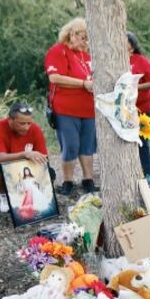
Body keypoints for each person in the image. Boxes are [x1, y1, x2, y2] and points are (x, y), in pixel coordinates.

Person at [45, 17, 96, 196]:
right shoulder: (58, 51)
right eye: (83, 37)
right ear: (72, 34)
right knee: (71, 145)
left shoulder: (86, 55)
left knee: (87, 145)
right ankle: (67, 181)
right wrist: (83, 84)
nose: (85, 42)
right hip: (66, 108)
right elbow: (55, 78)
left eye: (87, 38)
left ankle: (88, 179)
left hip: (89, 108)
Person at [0, 101, 51, 213]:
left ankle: (31, 197)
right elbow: (0, 158)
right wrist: (25, 154)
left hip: (24, 168)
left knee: (50, 173)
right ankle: (4, 196)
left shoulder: (35, 129)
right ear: (10, 120)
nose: (26, 127)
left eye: (29, 123)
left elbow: (43, 156)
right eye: (22, 124)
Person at [128, 32, 150, 187]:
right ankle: (128, 173)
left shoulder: (141, 61)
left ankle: (147, 173)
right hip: (122, 111)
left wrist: (135, 86)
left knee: (142, 142)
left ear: (132, 47)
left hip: (142, 109)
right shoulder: (113, 60)